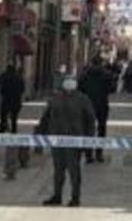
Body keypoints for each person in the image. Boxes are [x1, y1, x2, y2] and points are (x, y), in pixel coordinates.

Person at [37, 70, 97, 207]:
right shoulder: (55, 98)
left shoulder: (83, 99)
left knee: (74, 170)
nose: (69, 83)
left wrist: (89, 141)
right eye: (67, 81)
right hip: (57, 139)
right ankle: (57, 195)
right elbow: (46, 118)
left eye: (72, 80)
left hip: (74, 140)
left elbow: (90, 120)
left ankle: (75, 197)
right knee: (58, 169)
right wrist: (39, 136)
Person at [78, 56, 114, 163]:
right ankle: (99, 154)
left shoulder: (84, 75)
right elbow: (111, 89)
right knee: (101, 129)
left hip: (87, 105)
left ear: (92, 63)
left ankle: (88, 155)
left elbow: (80, 89)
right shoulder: (106, 74)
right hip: (102, 105)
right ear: (101, 63)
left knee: (88, 129)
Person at [0, 63, 26, 134]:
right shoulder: (18, 78)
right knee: (14, 117)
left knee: (3, 115)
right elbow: (22, 89)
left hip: (6, 98)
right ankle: (14, 129)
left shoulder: (4, 76)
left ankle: (2, 128)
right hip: (16, 99)